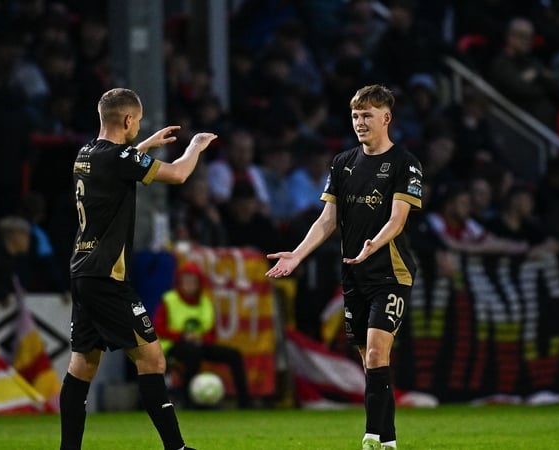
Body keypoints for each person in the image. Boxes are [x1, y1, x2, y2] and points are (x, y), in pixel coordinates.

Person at [266, 84, 422, 450]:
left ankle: (370, 438)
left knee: (375, 353)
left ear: (386, 118)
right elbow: (326, 220)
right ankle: (389, 441)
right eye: (355, 115)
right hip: (354, 276)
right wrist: (297, 254)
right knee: (371, 365)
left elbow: (398, 219)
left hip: (391, 273)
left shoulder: (405, 163)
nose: (360, 122)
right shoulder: (342, 163)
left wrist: (375, 244)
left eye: (367, 115)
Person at [61, 88, 217, 450]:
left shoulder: (86, 154)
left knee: (82, 365)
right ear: (128, 120)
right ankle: (176, 449)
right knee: (152, 359)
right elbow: (178, 175)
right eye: (139, 121)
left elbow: (116, 164)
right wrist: (195, 146)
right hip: (107, 278)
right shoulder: (118, 158)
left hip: (82, 271)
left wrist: (144, 145)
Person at [153, 262, 252, 409]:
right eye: (186, 281)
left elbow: (212, 333)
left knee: (234, 355)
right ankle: (187, 399)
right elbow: (158, 328)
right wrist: (182, 336)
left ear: (199, 284)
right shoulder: (169, 300)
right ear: (179, 282)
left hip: (199, 343)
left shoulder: (205, 303)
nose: (189, 285)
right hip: (174, 345)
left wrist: (201, 339)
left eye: (193, 281)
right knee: (193, 354)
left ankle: (245, 402)